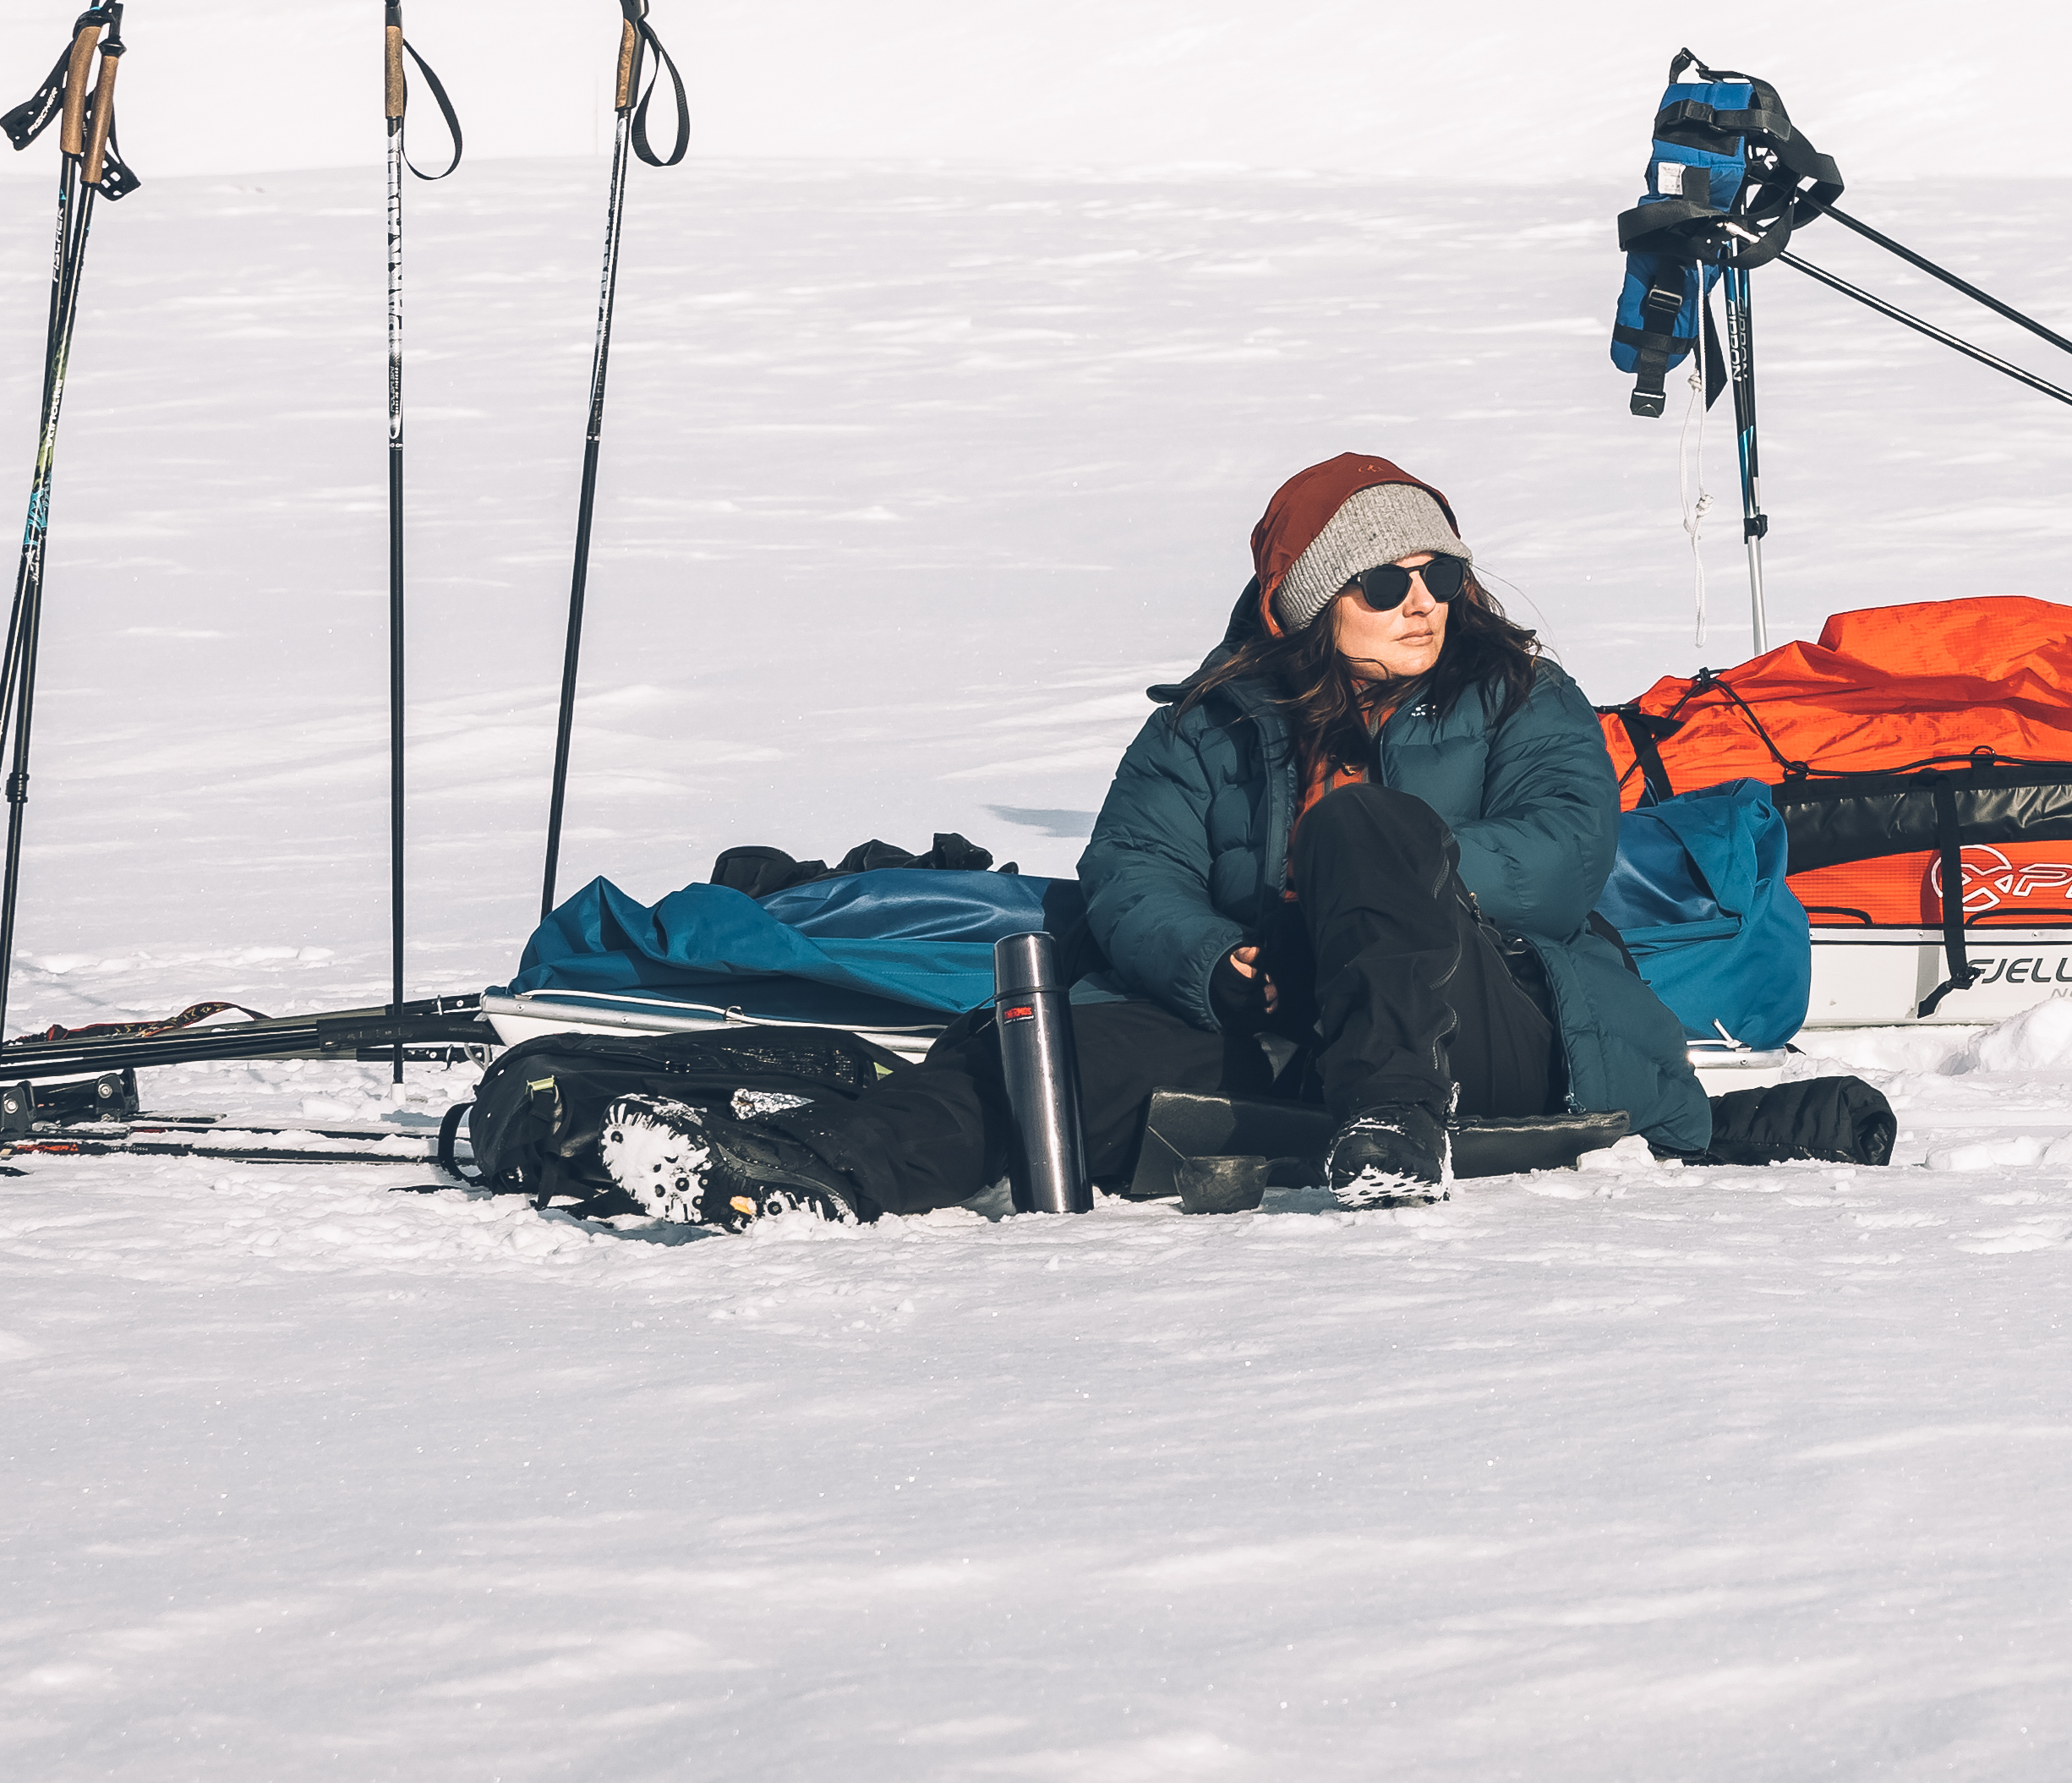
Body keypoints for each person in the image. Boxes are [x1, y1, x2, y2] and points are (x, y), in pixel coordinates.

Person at [599, 453, 1871, 1228]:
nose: (1423, 601)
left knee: (1372, 828)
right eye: (1386, 582)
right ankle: (819, 1174)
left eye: (1439, 573)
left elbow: (1561, 857)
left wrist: (1383, 882)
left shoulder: (1519, 697)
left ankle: (1391, 1132)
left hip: (1496, 1028)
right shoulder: (1216, 725)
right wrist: (1220, 963)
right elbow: (1129, 880)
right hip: (1291, 1025)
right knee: (1039, 1046)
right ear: (1317, 601)